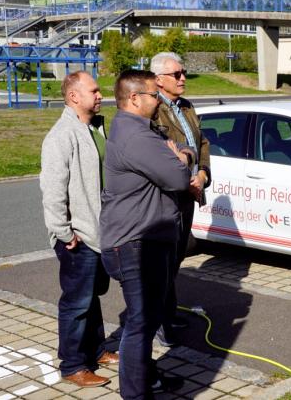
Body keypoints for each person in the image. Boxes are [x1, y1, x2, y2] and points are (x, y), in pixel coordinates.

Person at [100, 69, 194, 399]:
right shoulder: (136, 136)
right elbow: (178, 177)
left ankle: (147, 378)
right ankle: (136, 393)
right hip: (136, 244)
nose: (159, 101)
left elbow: (181, 153)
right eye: (155, 95)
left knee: (147, 319)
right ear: (135, 98)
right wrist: (179, 157)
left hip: (145, 239)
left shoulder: (141, 130)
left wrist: (179, 153)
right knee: (141, 323)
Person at [39, 71, 120, 387]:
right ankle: (73, 365)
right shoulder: (62, 136)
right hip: (78, 236)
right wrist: (63, 232)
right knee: (76, 302)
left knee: (92, 297)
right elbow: (53, 188)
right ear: (74, 96)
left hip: (98, 232)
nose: (100, 95)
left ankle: (96, 351)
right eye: (94, 90)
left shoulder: (94, 129)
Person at [149, 52, 212, 346]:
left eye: (183, 72)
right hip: (169, 196)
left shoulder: (186, 107)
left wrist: (202, 173)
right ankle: (159, 323)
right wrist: (185, 180)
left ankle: (169, 313)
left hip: (190, 194)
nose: (183, 78)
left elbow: (201, 143)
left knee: (175, 259)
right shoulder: (153, 109)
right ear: (159, 79)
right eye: (177, 74)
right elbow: (161, 152)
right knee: (162, 263)